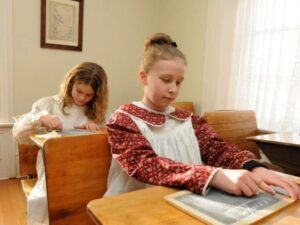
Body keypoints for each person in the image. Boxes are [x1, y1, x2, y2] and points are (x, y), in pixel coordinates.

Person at [104, 33, 300, 201]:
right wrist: (214, 175)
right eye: (166, 80)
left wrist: (255, 168)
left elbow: (219, 150)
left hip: (187, 201)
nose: (173, 89)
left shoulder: (188, 120)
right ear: (143, 77)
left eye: (179, 82)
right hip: (136, 207)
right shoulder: (123, 119)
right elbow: (146, 165)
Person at [13, 62, 108, 225]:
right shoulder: (48, 104)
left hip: (89, 177)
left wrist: (98, 131)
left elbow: (111, 146)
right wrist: (38, 119)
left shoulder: (100, 112)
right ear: (71, 83)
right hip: (54, 177)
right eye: (79, 91)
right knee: (46, 207)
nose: (82, 98)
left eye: (89, 95)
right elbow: (18, 135)